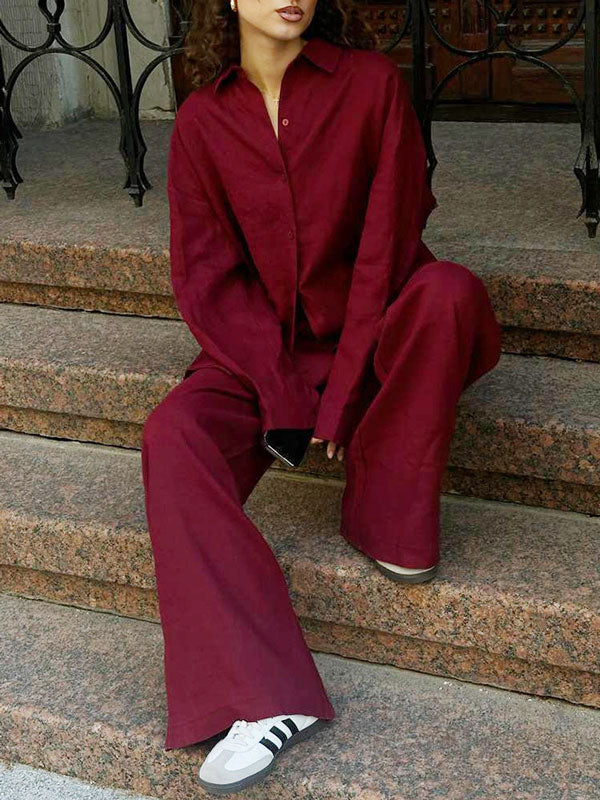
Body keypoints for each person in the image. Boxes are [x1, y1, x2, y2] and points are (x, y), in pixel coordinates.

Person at [141, 0, 502, 793]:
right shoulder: (201, 121)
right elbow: (208, 276)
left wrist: (336, 398)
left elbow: (388, 244)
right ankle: (265, 693)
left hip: (378, 333)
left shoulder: (370, 86)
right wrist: (281, 392)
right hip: (263, 354)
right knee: (173, 433)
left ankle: (388, 512)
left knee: (448, 293)